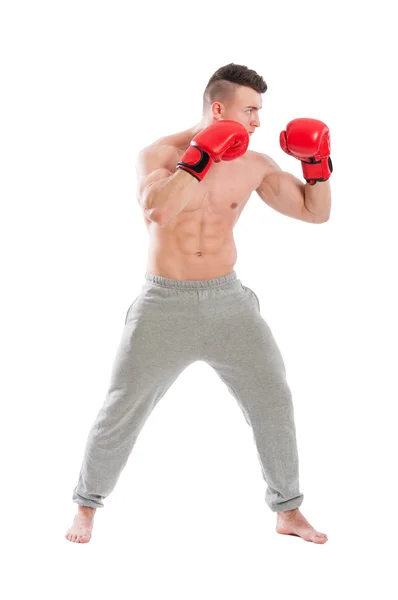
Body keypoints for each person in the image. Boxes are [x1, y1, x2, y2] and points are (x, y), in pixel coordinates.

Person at [65, 63, 332, 544]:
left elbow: (318, 214)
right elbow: (160, 210)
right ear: (218, 107)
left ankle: (288, 511)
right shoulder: (160, 154)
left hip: (228, 303)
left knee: (273, 400)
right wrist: (201, 158)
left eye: (260, 112)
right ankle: (87, 505)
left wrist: (318, 166)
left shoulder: (256, 164)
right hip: (163, 304)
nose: (257, 122)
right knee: (123, 408)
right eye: (250, 110)